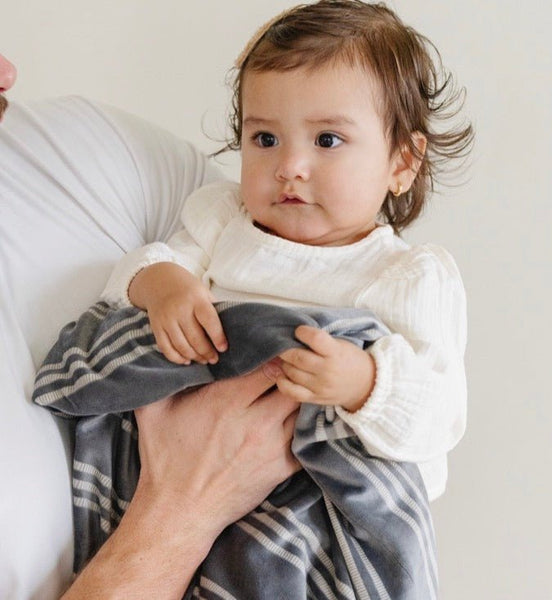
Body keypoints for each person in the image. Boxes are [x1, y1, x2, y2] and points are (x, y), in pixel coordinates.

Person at [103, 0, 473, 501]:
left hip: (314, 500)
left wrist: (364, 383)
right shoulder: (223, 222)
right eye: (265, 137)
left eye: (326, 139)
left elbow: (439, 417)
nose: (290, 165)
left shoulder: (406, 277)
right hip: (185, 465)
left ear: (402, 162)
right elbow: (127, 289)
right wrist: (160, 284)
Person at [0, 51, 300, 599]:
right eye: (264, 139)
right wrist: (184, 508)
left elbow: (298, 261)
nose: (7, 73)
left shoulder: (82, 147)